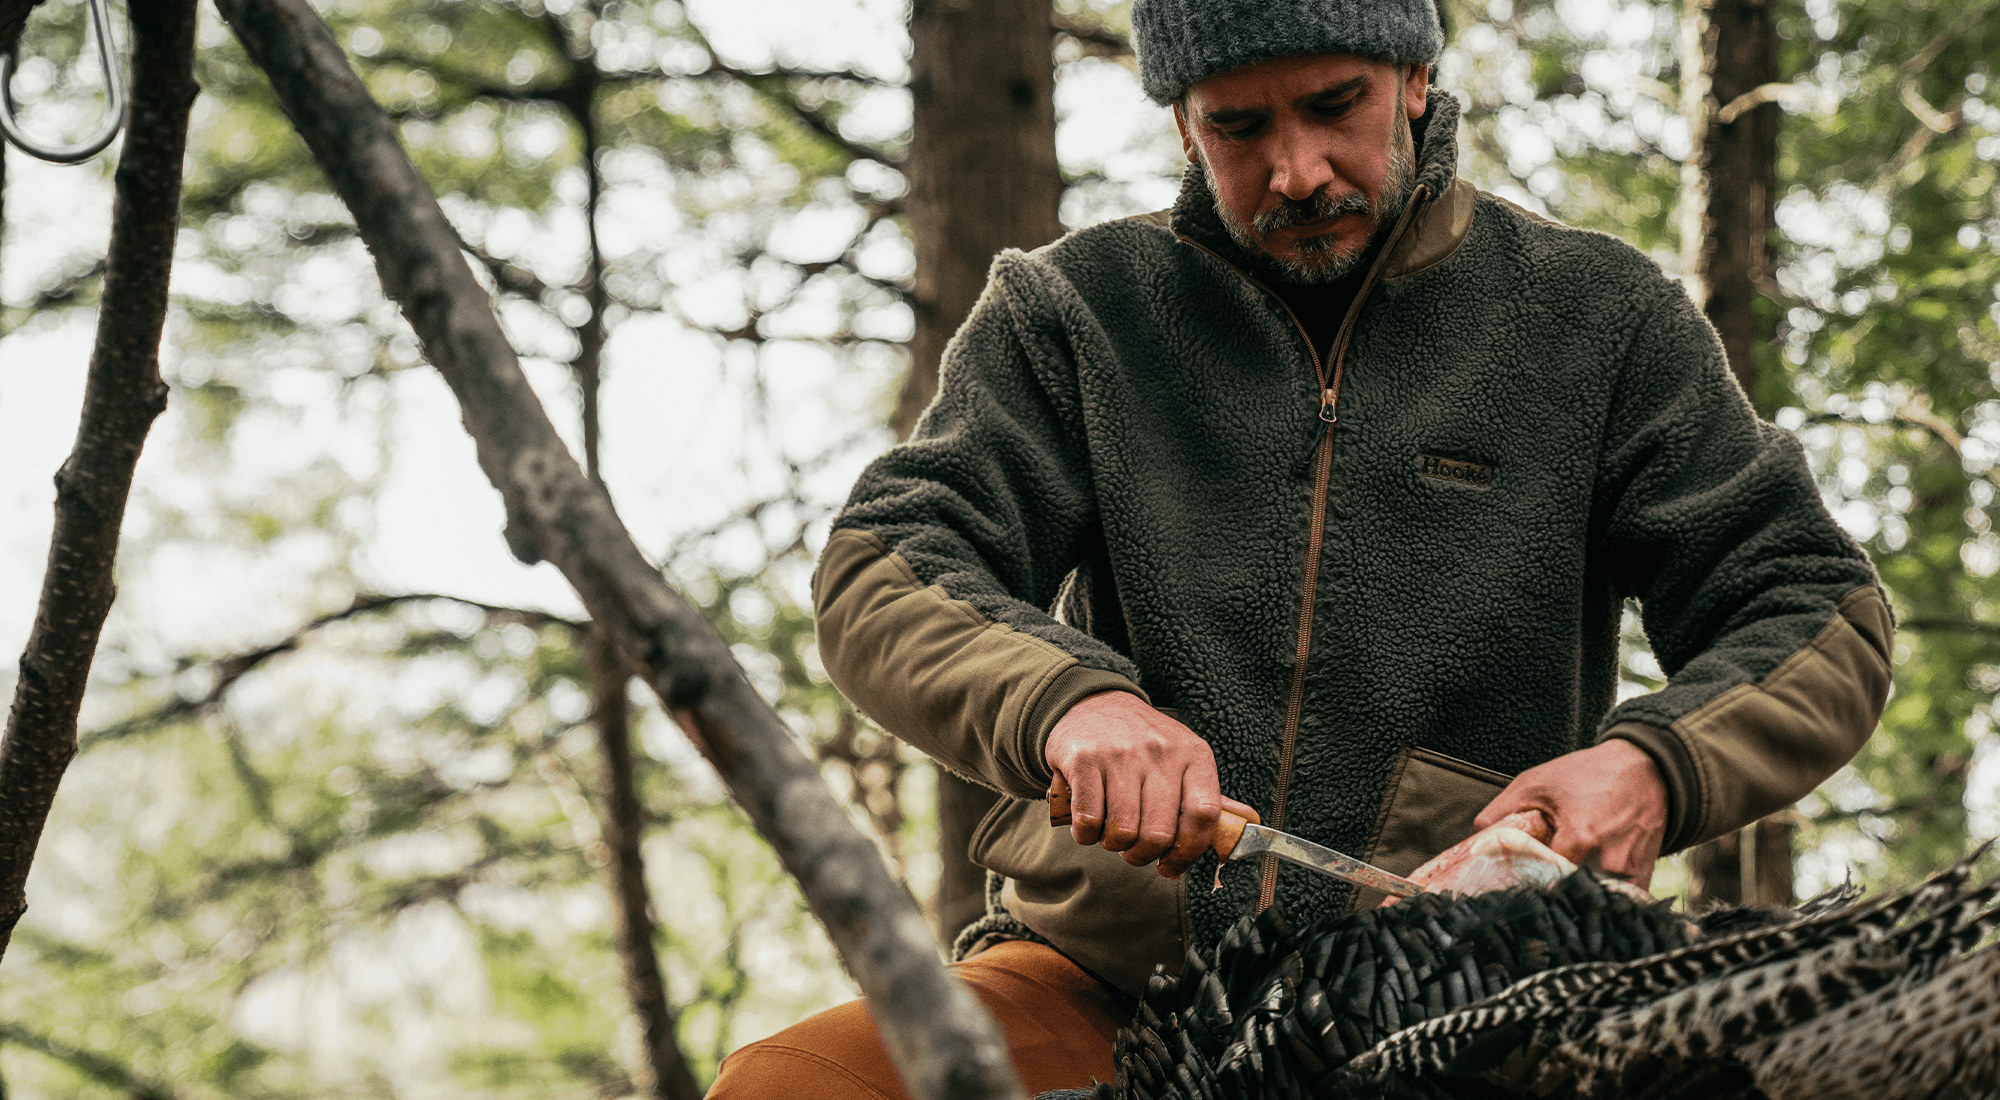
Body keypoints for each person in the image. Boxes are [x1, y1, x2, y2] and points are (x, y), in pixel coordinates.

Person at [707, 0, 1892, 1095]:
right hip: (1101, 979)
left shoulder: (1596, 318)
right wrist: (1067, 704)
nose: (1295, 169)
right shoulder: (1072, 311)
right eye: (1237, 125)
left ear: (1413, 78)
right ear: (1180, 119)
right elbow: (885, 562)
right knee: (789, 1084)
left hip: (1465, 997)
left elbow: (1808, 604)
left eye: (1334, 106)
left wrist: (1646, 767)